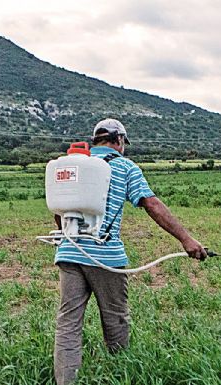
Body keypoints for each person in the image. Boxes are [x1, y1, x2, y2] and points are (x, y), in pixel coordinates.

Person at [53, 118, 208, 384]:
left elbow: (59, 211)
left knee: (68, 324)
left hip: (70, 253)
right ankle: (120, 375)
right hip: (105, 258)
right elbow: (151, 204)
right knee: (115, 319)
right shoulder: (125, 167)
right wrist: (187, 240)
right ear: (119, 140)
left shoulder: (73, 165)